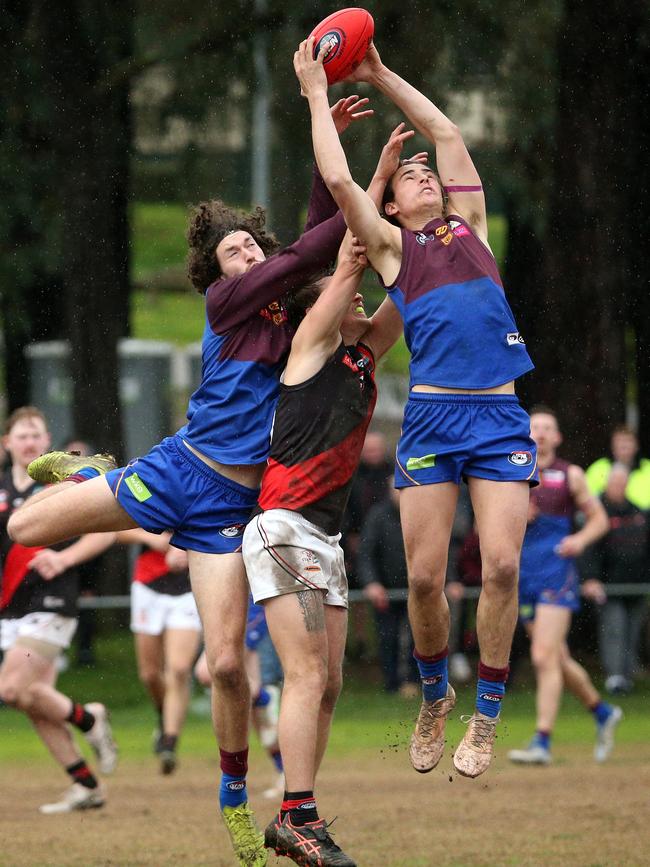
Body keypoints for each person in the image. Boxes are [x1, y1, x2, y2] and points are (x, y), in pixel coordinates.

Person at [8, 96, 371, 866]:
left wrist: (326, 151)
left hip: (232, 512)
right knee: (21, 527)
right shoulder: (224, 300)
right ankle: (90, 470)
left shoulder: (286, 309)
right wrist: (338, 164)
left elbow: (309, 242)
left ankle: (235, 796)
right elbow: (313, 247)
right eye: (233, 248)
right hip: (180, 471)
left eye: (251, 244)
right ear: (218, 268)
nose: (243, 252)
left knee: (229, 665)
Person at [294, 38, 537, 780]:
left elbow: (449, 134)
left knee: (500, 566)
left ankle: (487, 715)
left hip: (498, 420)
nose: (426, 173)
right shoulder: (396, 251)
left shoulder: (472, 232)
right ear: (392, 204)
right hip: (432, 421)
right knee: (425, 580)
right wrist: (314, 94)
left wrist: (376, 71)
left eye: (428, 172)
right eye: (410, 176)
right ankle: (435, 694)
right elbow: (338, 179)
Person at [243, 133, 407, 864]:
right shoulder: (310, 342)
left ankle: (297, 806)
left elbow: (409, 289)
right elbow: (353, 252)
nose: (364, 292)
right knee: (306, 674)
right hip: (282, 529)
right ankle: (296, 814)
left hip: (323, 539)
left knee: (330, 681)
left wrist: (427, 231)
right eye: (354, 288)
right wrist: (375, 183)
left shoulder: (361, 357)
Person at [0, 407, 118, 814]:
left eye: (37, 435)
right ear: (7, 443)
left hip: (52, 600)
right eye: (22, 435)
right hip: (10, 607)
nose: (30, 442)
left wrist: (64, 561)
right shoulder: (0, 490)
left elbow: (108, 533)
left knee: (11, 689)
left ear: (46, 443)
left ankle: (89, 719)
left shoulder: (63, 487)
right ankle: (86, 786)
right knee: (33, 699)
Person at [507, 407, 622, 766]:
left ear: (557, 437)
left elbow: (600, 520)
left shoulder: (570, 474)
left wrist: (579, 540)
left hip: (556, 571)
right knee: (556, 657)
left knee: (543, 656)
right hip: (523, 574)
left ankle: (542, 740)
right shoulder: (510, 471)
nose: (540, 432)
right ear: (525, 434)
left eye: (547, 428)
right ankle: (602, 712)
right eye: (534, 427)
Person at [117, 528, 202, 774]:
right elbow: (114, 532)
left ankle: (169, 742)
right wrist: (151, 539)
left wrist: (187, 548)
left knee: (179, 669)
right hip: (148, 586)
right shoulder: (147, 490)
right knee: (150, 675)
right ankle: (163, 716)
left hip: (189, 588)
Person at [194, 598, 284, 799]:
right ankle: (284, 772)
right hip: (226, 604)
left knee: (207, 671)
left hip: (248, 603)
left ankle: (265, 697)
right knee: (249, 703)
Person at [582, 463, 649, 694]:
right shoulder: (599, 514)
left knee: (632, 630)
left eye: (622, 483)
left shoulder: (638, 513)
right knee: (615, 629)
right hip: (609, 585)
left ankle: (627, 676)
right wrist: (590, 577)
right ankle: (615, 677)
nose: (618, 487)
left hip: (636, 585)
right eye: (615, 483)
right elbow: (590, 550)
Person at [357, 476, 419, 695]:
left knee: (419, 636)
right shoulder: (378, 515)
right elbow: (366, 553)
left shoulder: (422, 513)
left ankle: (416, 681)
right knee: (388, 636)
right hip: (385, 591)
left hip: (416, 591)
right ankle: (391, 684)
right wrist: (372, 583)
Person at [586, 425, 650, 510]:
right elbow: (586, 500)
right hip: (607, 518)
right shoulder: (598, 468)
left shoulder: (648, 468)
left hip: (643, 520)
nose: (624, 445)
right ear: (612, 446)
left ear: (637, 445)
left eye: (628, 441)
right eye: (619, 441)